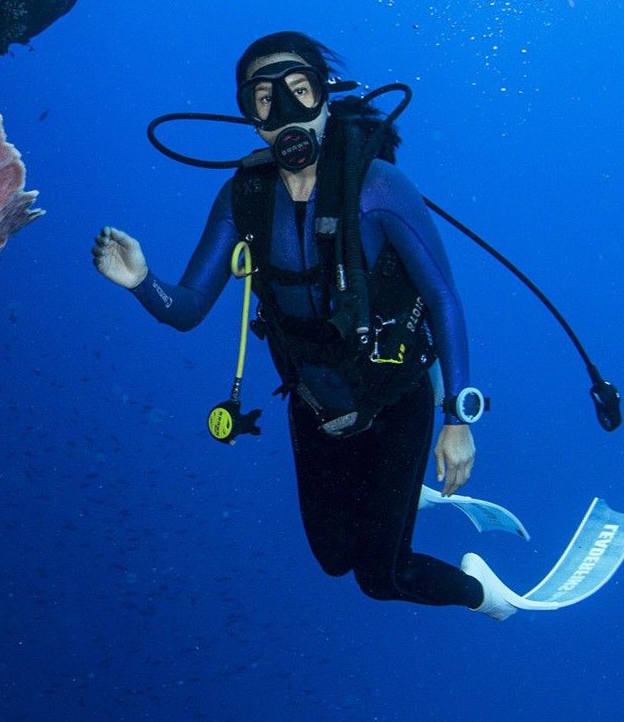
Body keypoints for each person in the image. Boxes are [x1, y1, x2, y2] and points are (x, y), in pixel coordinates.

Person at [92, 31, 522, 619]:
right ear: (249, 115)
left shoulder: (378, 187)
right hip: (313, 402)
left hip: (396, 398)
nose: (286, 113)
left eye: (301, 91)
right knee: (331, 558)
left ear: (326, 97)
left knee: (380, 576)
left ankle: (488, 596)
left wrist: (457, 421)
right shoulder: (241, 197)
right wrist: (142, 281)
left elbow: (444, 298)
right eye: (266, 100)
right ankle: (397, 500)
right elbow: (188, 308)